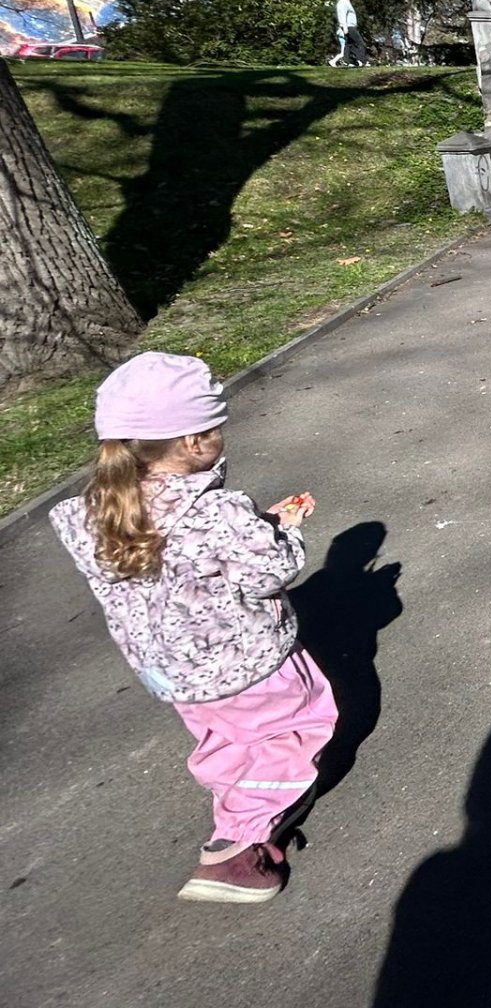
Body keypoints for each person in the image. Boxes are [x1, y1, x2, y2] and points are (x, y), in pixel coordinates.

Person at [50, 351, 336, 905]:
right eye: (216, 427)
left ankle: (233, 800)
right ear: (193, 442)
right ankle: (238, 848)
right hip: (242, 665)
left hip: (172, 672)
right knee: (291, 733)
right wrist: (284, 531)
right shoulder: (217, 512)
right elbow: (270, 572)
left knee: (224, 740)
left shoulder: (97, 513)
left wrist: (258, 524)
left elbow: (181, 564)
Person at [329, 0, 368, 67]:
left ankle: (347, 61)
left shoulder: (347, 2)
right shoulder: (343, 2)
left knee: (349, 44)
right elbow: (342, 15)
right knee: (360, 43)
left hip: (349, 26)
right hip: (349, 26)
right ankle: (362, 61)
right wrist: (345, 27)